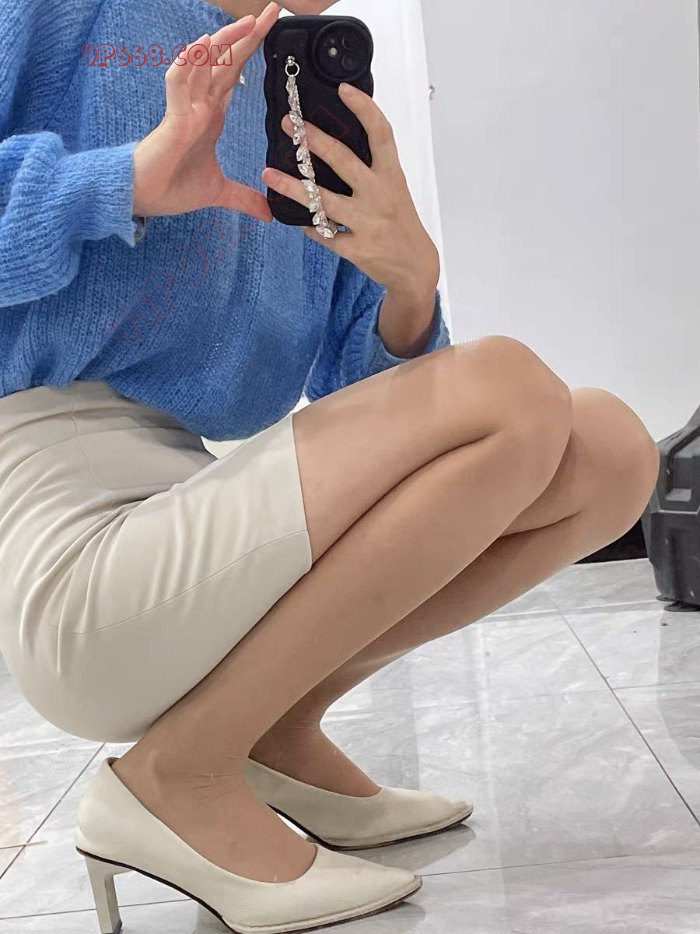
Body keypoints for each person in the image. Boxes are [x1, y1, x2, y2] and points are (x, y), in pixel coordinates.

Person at [0, 1, 660, 931]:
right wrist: (124, 181)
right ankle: (176, 774)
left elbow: (403, 427)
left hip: (185, 516)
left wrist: (410, 283)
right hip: (61, 542)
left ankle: (267, 727)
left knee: (609, 453)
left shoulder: (296, 98)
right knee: (510, 389)